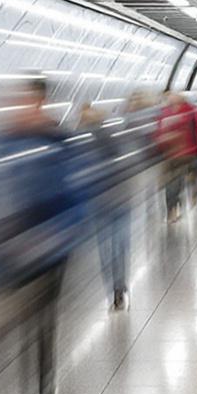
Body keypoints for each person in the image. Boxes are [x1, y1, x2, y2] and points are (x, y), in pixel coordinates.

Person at [0, 78, 88, 394]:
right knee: (15, 337)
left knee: (42, 335)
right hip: (9, 256)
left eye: (27, 101)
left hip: (48, 256)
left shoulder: (58, 142)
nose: (20, 108)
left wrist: (58, 237)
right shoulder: (3, 142)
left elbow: (77, 198)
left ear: (41, 101)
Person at [75, 97, 134, 308]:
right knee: (120, 246)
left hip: (100, 202)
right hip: (119, 198)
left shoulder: (80, 141)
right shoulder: (112, 135)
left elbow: (79, 175)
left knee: (106, 251)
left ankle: (115, 288)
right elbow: (127, 162)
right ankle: (120, 285)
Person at [156, 91, 197, 220]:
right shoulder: (164, 113)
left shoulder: (192, 111)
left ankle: (192, 193)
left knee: (183, 180)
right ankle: (172, 209)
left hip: (189, 153)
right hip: (171, 155)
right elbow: (158, 133)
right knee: (172, 184)